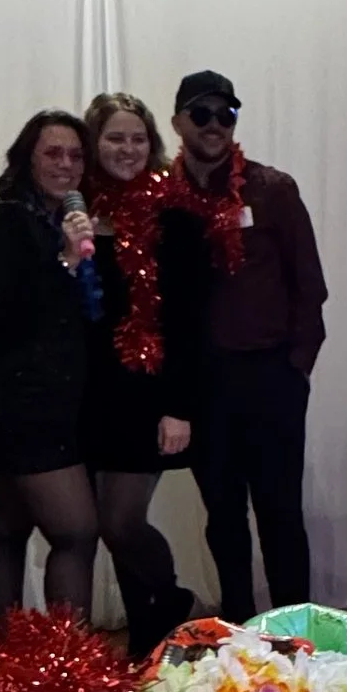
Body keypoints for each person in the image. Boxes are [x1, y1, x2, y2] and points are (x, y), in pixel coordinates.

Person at [168, 68, 327, 621]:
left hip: (271, 378)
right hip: (206, 383)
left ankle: (297, 631)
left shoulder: (272, 189)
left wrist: (295, 370)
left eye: (226, 113)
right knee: (223, 515)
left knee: (282, 512)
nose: (215, 125)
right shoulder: (164, 198)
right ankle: (236, 629)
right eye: (202, 114)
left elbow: (311, 287)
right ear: (178, 122)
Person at [80, 92, 207, 657]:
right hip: (90, 392)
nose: (127, 149)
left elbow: (188, 317)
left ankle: (171, 600)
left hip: (148, 390)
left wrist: (180, 405)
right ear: (93, 143)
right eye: (114, 138)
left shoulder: (172, 214)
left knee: (120, 522)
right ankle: (145, 634)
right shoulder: (75, 210)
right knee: (104, 523)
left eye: (137, 138)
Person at [0, 109, 105, 619]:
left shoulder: (58, 223)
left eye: (75, 154)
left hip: (50, 403)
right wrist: (68, 261)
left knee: (9, 525)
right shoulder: (8, 222)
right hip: (26, 406)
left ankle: (16, 664)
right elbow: (5, 313)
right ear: (27, 160)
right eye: (53, 152)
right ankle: (66, 667)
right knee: (76, 530)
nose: (66, 163)